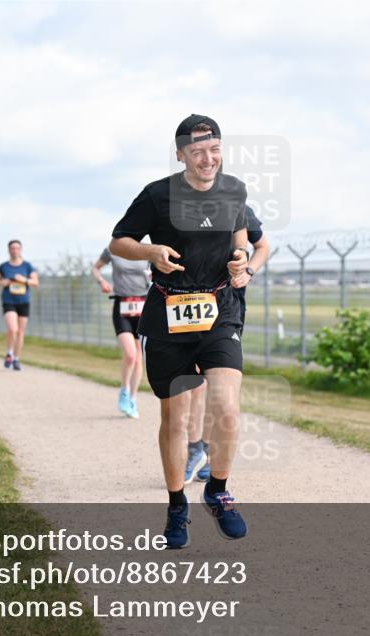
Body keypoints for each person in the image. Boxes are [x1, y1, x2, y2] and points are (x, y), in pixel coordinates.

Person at [109, 114, 251, 548]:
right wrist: (149, 250)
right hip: (169, 312)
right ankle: (176, 505)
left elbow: (241, 234)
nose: (207, 159)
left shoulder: (234, 190)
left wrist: (242, 258)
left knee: (225, 407)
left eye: (214, 150)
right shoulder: (158, 195)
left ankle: (217, 489)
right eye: (197, 152)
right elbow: (119, 241)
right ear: (181, 155)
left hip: (220, 309)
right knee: (174, 417)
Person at [184, 204, 271, 483]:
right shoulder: (178, 208)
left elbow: (262, 246)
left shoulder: (237, 207)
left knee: (216, 386)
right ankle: (195, 446)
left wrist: (249, 272)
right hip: (183, 306)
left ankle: (208, 451)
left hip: (225, 309)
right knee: (194, 385)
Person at [93, 246, 149, 418]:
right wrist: (102, 281)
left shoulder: (147, 249)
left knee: (139, 357)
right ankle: (124, 390)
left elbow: (160, 269)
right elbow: (96, 268)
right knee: (130, 354)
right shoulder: (113, 249)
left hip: (143, 305)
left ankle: (132, 399)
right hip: (122, 305)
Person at [0, 240, 38, 371]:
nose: (15, 250)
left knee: (20, 332)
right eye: (12, 248)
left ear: (21, 250)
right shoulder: (3, 266)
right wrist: (4, 282)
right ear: (9, 250)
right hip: (9, 301)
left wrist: (23, 279)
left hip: (24, 301)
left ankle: (16, 358)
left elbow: (35, 282)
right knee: (13, 329)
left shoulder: (27, 266)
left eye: (17, 248)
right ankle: (9, 353)